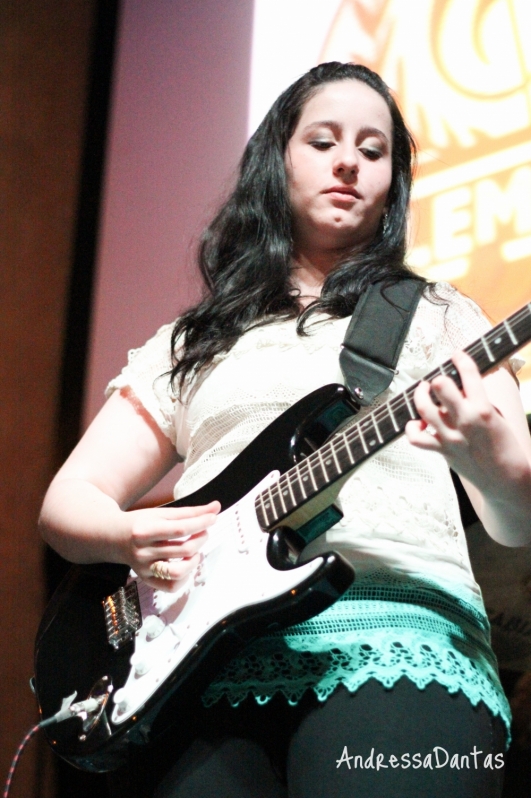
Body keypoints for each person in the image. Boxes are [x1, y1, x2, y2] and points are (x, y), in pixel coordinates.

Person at [39, 62, 531, 798]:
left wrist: (495, 468)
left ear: (392, 182)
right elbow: (68, 502)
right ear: (277, 159)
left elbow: (518, 519)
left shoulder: (439, 316)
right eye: (323, 141)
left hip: (404, 654)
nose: (347, 163)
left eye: (373, 152)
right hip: (201, 681)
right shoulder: (190, 342)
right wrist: (124, 537)